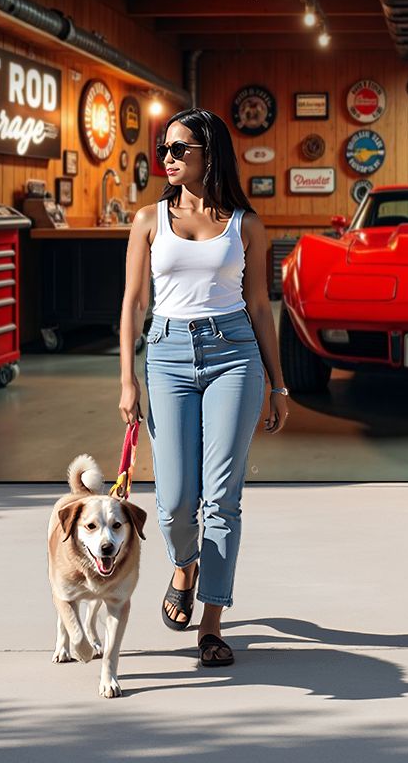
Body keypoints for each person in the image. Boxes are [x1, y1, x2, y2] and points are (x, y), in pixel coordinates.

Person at [117, 107, 290, 667]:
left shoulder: (247, 224)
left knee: (221, 497)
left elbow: (262, 306)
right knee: (172, 503)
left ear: (208, 154)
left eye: (178, 149)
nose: (166, 158)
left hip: (233, 354)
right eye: (163, 149)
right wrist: (126, 378)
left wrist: (278, 383)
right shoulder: (148, 220)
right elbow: (134, 303)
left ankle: (212, 623)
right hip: (166, 355)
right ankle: (184, 564)